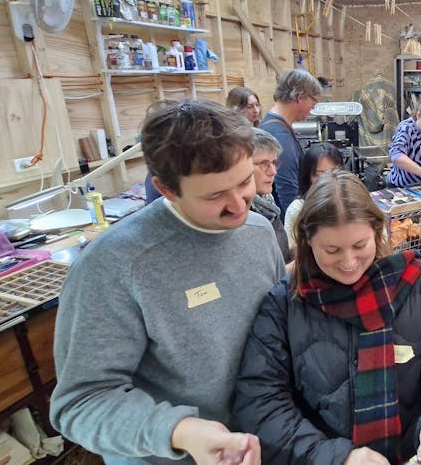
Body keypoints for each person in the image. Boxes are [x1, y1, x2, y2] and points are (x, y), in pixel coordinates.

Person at [51, 99, 283, 465]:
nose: (239, 205)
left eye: (243, 182)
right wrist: (181, 431)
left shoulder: (257, 232)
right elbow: (80, 403)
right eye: (214, 195)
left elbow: (276, 330)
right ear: (166, 189)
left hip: (262, 440)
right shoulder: (114, 265)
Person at [232, 171, 421, 465]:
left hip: (411, 453)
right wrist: (336, 457)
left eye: (359, 246)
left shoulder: (418, 286)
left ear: (376, 230)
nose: (349, 263)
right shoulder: (283, 305)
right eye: (332, 250)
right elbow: (261, 403)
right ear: (308, 241)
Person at [260, 69, 323, 214]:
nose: (313, 106)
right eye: (313, 100)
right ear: (300, 97)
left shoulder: (273, 124)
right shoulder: (280, 135)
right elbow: (288, 193)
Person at [284, 142, 344, 250]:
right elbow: (292, 250)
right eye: (320, 174)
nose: (327, 179)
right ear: (308, 176)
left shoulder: (350, 203)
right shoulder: (297, 209)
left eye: (334, 172)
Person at [250, 127, 292, 264]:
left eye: (274, 163)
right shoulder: (241, 213)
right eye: (264, 164)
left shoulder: (267, 200)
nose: (273, 171)